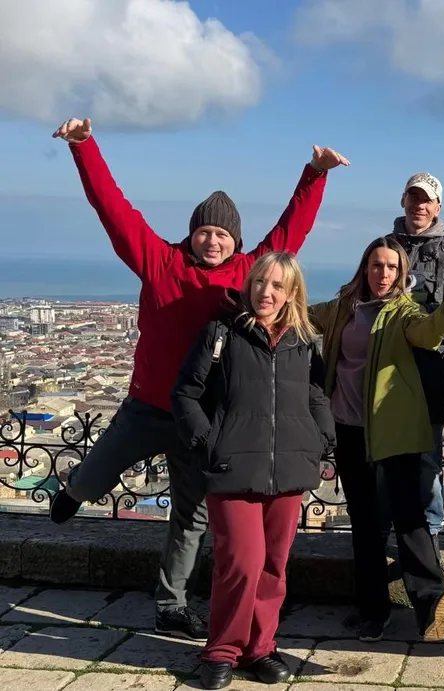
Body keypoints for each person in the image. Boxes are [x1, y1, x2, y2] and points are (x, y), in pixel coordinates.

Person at [47, 116, 348, 639]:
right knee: (94, 479)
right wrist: (83, 147)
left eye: (223, 234)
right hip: (147, 406)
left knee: (191, 516)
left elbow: (290, 234)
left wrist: (315, 175)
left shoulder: (249, 274)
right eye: (205, 231)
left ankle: (171, 603)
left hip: (204, 419)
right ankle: (75, 488)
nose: (213, 240)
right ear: (192, 233)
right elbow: (113, 209)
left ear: (236, 241)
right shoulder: (158, 262)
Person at [172, 252, 336, 690]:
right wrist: (207, 440)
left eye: (278, 285)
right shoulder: (223, 332)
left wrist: (322, 437)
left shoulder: (304, 340)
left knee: (273, 566)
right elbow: (186, 393)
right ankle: (221, 650)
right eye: (261, 282)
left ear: (292, 293)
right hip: (232, 466)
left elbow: (316, 394)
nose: (267, 292)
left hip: (289, 467)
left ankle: (260, 647)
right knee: (240, 563)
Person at [310, 237, 444, 643]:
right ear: (365, 268)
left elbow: (429, 332)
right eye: (377, 265)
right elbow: (302, 315)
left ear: (402, 273)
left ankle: (433, 603)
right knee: (365, 524)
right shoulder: (342, 308)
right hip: (349, 429)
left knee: (409, 515)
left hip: (393, 428)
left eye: (392, 267)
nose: (383, 274)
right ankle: (373, 612)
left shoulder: (403, 311)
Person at [388, 173, 444, 544]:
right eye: (413, 197)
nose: (419, 205)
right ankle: (389, 531)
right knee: (384, 459)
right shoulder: (385, 247)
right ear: (403, 200)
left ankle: (431, 535)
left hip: (430, 374)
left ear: (438, 207)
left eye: (426, 200)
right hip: (386, 371)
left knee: (427, 461)